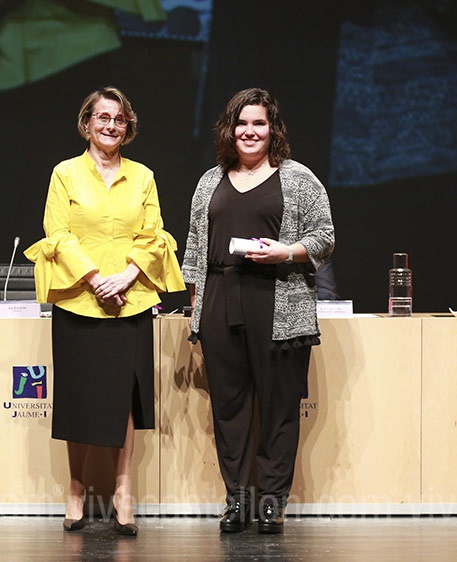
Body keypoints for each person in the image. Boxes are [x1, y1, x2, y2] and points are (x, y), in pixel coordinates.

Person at [24, 86, 184, 536]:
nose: (111, 125)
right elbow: (57, 234)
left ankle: (122, 492)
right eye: (103, 117)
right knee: (77, 397)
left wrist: (127, 277)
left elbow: (154, 234)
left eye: (119, 119)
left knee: (124, 399)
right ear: (86, 124)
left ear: (127, 128)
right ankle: (76, 490)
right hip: (80, 298)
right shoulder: (65, 173)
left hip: (130, 301)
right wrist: (96, 279)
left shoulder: (143, 176)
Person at [181, 88, 335, 534]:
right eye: (242, 123)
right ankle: (237, 500)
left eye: (259, 123)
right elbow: (194, 249)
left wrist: (286, 252)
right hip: (219, 301)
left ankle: (272, 501)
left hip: (278, 301)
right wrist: (196, 309)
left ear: (273, 129)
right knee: (229, 409)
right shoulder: (210, 181)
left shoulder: (298, 178)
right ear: (230, 130)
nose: (249, 132)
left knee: (279, 407)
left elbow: (325, 236)